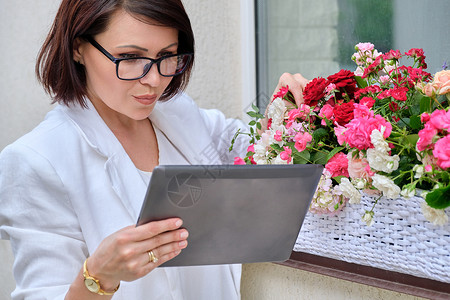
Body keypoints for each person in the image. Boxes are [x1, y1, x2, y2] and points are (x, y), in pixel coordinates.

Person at [0, 0, 308, 299]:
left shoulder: (179, 115)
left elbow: (256, 155)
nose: (154, 79)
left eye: (167, 56)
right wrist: (99, 276)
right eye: (130, 57)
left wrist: (285, 111)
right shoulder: (36, 161)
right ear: (78, 48)